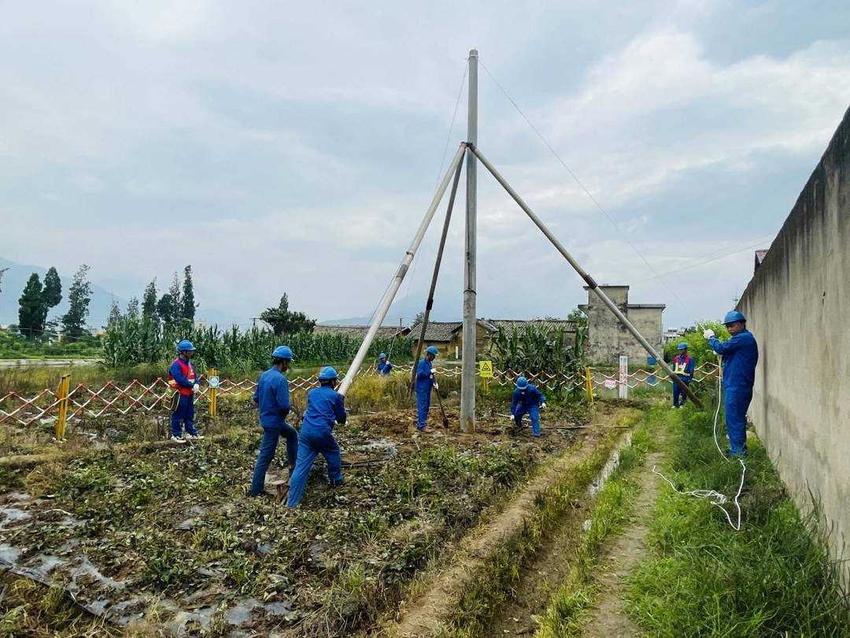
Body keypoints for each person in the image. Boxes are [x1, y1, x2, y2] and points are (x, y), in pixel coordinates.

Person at [286, 367, 347, 508]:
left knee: (300, 467)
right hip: (321, 433)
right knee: (333, 452)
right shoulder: (336, 396)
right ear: (333, 381)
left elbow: (314, 408)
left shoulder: (312, 393)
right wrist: (340, 405)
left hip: (306, 433)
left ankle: (292, 503)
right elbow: (342, 419)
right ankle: (336, 480)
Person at [703, 311, 759, 457]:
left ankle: (738, 453)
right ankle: (738, 449)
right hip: (736, 384)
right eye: (727, 326)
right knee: (735, 417)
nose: (729, 329)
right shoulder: (741, 340)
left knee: (734, 418)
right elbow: (728, 352)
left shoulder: (743, 338)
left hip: (738, 385)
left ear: (741, 323)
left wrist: (711, 338)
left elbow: (721, 348)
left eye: (732, 325)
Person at [249, 346, 298, 497]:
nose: (288, 366)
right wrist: (286, 411)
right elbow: (284, 405)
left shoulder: (264, 375)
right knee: (266, 456)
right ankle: (255, 490)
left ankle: (293, 467)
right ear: (283, 362)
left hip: (267, 419)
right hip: (274, 423)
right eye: (288, 363)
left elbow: (256, 399)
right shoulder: (280, 379)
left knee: (292, 434)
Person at [167, 340, 202, 442]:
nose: (192, 353)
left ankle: (190, 433)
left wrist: (197, 383)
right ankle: (176, 435)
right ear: (184, 352)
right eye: (190, 351)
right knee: (178, 414)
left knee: (189, 413)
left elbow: (195, 376)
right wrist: (192, 385)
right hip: (179, 394)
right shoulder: (176, 365)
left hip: (189, 393)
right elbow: (180, 379)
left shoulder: (190, 364)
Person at [415, 345, 439, 433]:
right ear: (429, 355)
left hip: (427, 388)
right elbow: (420, 375)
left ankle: (422, 423)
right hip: (421, 389)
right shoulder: (422, 363)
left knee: (426, 407)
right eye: (434, 356)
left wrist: (434, 383)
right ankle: (421, 426)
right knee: (422, 406)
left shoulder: (429, 363)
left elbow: (431, 376)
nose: (434, 358)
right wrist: (429, 371)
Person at [671, 342, 695, 408]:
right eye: (679, 349)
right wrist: (673, 378)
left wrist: (689, 379)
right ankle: (675, 404)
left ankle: (682, 404)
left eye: (682, 349)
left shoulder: (690, 359)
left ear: (686, 350)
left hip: (685, 378)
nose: (680, 351)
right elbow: (673, 369)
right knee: (675, 392)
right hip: (677, 378)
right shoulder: (676, 358)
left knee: (684, 392)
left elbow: (692, 370)